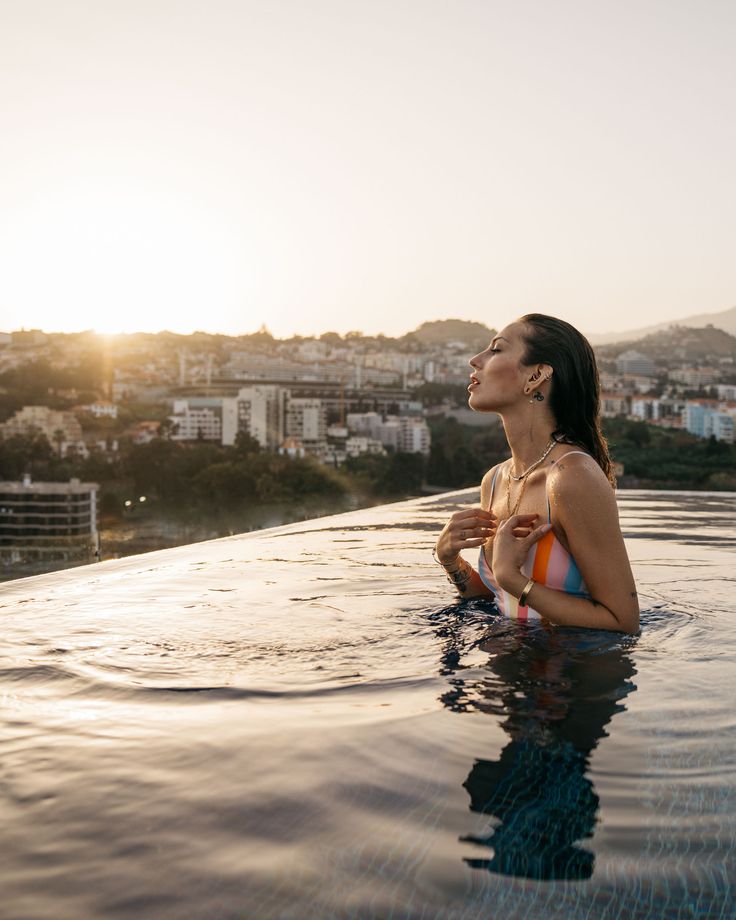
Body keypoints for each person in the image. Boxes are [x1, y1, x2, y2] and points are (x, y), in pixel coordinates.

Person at [434, 313, 639, 634]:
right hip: (507, 670)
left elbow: (622, 621)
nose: (475, 360)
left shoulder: (573, 477)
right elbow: (500, 600)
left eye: (496, 350)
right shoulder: (495, 480)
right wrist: (449, 560)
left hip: (574, 677)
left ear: (537, 375)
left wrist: (514, 578)